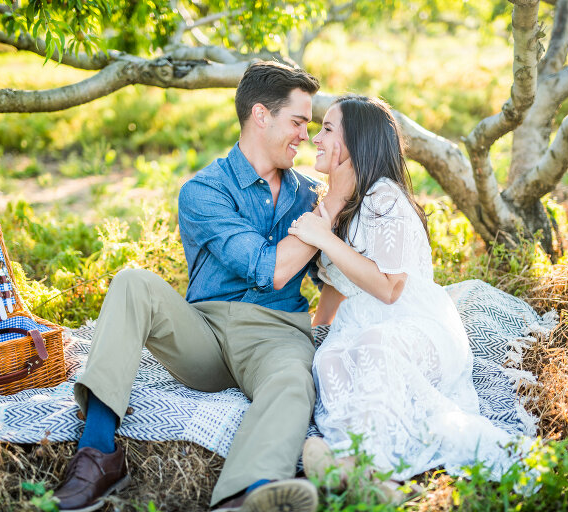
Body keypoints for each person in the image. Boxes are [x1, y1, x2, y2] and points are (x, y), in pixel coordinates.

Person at [53, 62, 356, 512]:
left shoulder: (309, 195)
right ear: (260, 115)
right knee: (133, 282)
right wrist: (327, 210)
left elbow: (333, 277)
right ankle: (98, 452)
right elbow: (267, 268)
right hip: (206, 335)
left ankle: (247, 493)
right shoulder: (204, 191)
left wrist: (320, 326)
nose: (305, 136)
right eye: (297, 122)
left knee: (294, 379)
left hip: (276, 335)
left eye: (309, 125)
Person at [289, 95, 526, 503]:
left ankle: (373, 467)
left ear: (356, 142)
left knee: (375, 346)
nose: (316, 138)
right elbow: (338, 284)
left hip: (413, 324)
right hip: (359, 322)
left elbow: (389, 288)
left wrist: (324, 238)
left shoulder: (384, 199)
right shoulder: (337, 202)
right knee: (328, 361)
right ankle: (357, 462)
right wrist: (316, 333)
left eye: (327, 129)